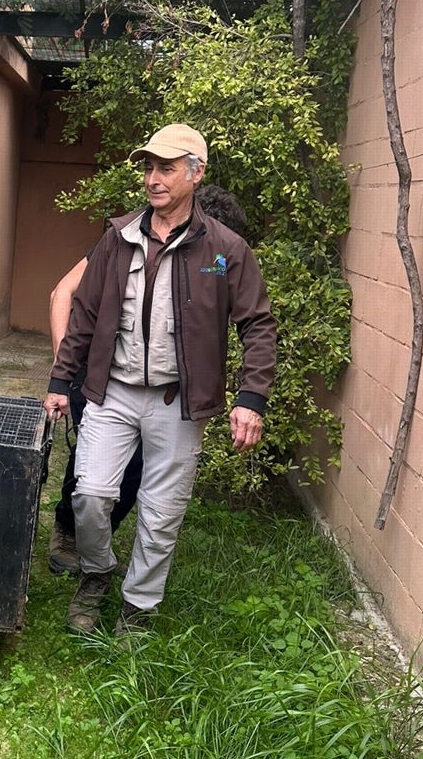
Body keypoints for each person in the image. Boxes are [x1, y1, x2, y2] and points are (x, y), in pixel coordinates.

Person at [42, 124, 276, 635]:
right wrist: (61, 382)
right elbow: (82, 313)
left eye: (165, 168)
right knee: (90, 496)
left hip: (177, 402)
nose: (153, 178)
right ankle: (98, 572)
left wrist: (250, 396)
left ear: (197, 173)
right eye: (148, 167)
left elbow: (257, 323)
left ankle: (137, 608)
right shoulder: (118, 237)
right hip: (113, 391)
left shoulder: (225, 250)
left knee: (161, 511)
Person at [45, 185, 249, 576]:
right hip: (99, 372)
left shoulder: (216, 255)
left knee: (135, 474)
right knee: (90, 472)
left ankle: (101, 558)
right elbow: (63, 292)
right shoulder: (124, 243)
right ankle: (68, 534)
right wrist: (63, 369)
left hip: (157, 385)